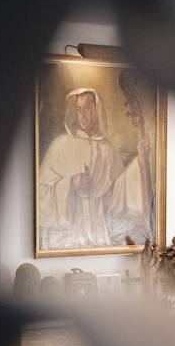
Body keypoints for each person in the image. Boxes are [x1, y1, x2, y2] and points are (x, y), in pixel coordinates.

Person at [38, 87, 152, 250]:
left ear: (98, 110)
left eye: (87, 108)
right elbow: (41, 193)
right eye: (78, 109)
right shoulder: (60, 145)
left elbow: (118, 193)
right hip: (69, 234)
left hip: (99, 231)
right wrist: (70, 183)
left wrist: (140, 160)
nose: (82, 114)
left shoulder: (107, 149)